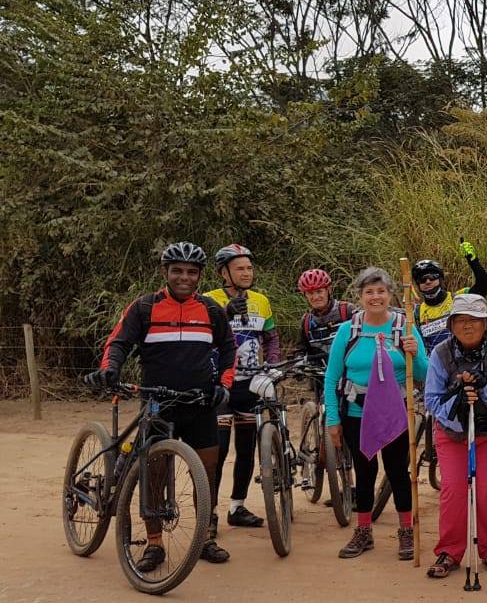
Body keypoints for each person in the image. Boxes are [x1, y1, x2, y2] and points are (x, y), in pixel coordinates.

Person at [92, 242, 235, 566]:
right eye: (177, 271)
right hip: (158, 402)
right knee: (153, 470)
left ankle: (205, 538)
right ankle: (154, 543)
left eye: (191, 272)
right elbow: (119, 342)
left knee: (208, 471)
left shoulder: (212, 310)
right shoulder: (144, 307)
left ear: (199, 276)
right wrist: (110, 368)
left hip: (200, 403)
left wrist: (223, 386)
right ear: (165, 272)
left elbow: (228, 350)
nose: (184, 277)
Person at [324, 266, 428, 560]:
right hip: (356, 413)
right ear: (360, 296)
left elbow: (425, 372)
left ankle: (406, 532)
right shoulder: (348, 330)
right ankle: (363, 531)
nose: (375, 297)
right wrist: (333, 419)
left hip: (396, 415)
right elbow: (332, 378)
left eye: (381, 291)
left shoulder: (405, 327)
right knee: (365, 472)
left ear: (390, 294)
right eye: (369, 292)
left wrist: (414, 353)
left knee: (398, 473)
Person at [422, 294, 487, 578]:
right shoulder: (440, 353)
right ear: (451, 324)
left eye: (474, 320)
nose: (467, 326)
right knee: (453, 490)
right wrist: (459, 398)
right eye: (461, 320)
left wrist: (484, 388)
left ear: (486, 325)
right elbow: (432, 403)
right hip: (453, 434)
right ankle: (449, 551)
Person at [205, 243, 280, 530]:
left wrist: (272, 362)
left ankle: (237, 506)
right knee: (218, 450)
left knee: (247, 448)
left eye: (249, 267)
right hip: (219, 385)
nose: (247, 273)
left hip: (251, 384)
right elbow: (202, 334)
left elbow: (270, 337)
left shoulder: (261, 300)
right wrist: (224, 312)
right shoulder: (207, 299)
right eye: (240, 268)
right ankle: (208, 512)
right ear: (224, 273)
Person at [411, 239, 487, 354]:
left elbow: (484, 286)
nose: (428, 281)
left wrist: (473, 261)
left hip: (463, 361)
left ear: (441, 279)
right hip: (436, 366)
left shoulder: (458, 298)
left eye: (432, 277)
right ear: (418, 285)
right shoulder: (417, 313)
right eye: (422, 279)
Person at [297, 268, 353, 371]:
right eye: (310, 293)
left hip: (349, 377)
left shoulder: (347, 311)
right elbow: (301, 350)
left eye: (319, 291)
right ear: (305, 295)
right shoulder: (306, 321)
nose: (315, 297)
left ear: (329, 290)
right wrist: (299, 364)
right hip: (320, 379)